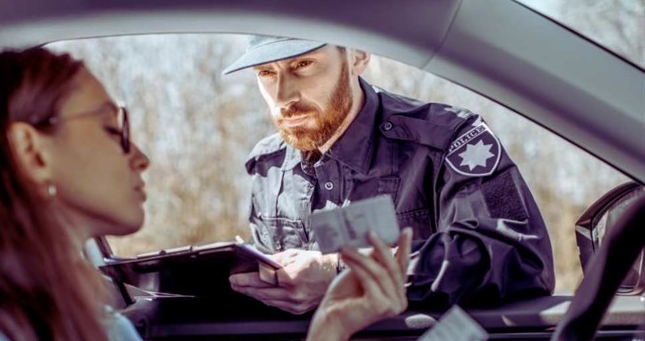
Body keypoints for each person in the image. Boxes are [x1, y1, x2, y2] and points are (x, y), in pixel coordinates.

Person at [0, 47, 412, 341]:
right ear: (32, 151)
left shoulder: (88, 324)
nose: (138, 156)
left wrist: (327, 334)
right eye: (112, 129)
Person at [225, 36, 555, 314]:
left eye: (302, 65)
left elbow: (521, 256)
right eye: (267, 72)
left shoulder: (451, 141)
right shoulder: (268, 168)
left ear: (358, 55)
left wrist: (345, 274)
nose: (284, 97)